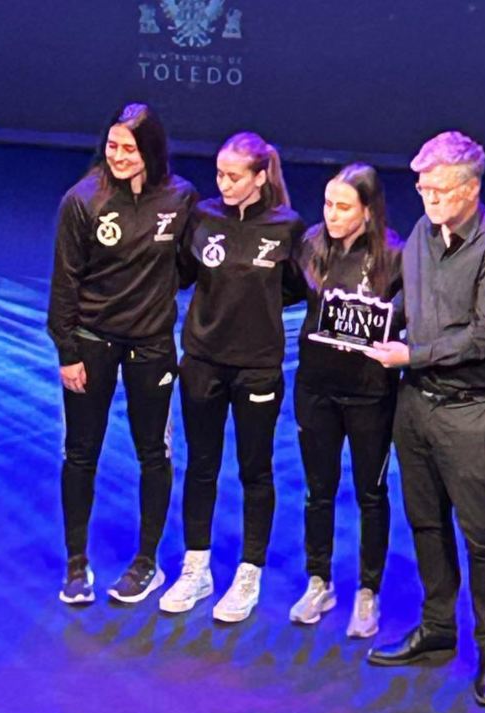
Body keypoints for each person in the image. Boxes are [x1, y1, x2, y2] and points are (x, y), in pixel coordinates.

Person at [366, 131, 485, 707]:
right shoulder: (420, 233)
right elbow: (410, 301)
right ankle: (436, 630)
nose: (427, 198)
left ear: (471, 189)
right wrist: (375, 320)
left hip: (470, 411)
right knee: (426, 525)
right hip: (416, 406)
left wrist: (412, 353)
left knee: (481, 536)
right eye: (422, 188)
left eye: (438, 189)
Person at [48, 102, 197, 605]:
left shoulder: (181, 199)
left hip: (152, 347)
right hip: (92, 344)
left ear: (151, 150)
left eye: (129, 148)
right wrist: (68, 351)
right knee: (80, 453)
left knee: (153, 454)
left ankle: (146, 563)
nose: (119, 156)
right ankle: (76, 564)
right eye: (112, 146)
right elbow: (64, 283)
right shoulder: (82, 200)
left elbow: (189, 267)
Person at [157, 132, 305, 623]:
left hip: (258, 365)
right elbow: (180, 273)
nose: (223, 183)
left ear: (261, 178)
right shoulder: (202, 216)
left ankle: (249, 573)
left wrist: (253, 313)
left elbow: (293, 289)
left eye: (234, 176)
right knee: (200, 466)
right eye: (219, 173)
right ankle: (196, 568)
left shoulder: (287, 227)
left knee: (254, 470)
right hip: (201, 360)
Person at [289, 164, 403, 637]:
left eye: (343, 207)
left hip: (370, 394)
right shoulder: (312, 246)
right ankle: (320, 581)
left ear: (368, 211)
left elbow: (413, 317)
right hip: (316, 388)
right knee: (319, 491)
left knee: (370, 493)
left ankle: (367, 591)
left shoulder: (396, 256)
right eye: (327, 205)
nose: (331, 216)